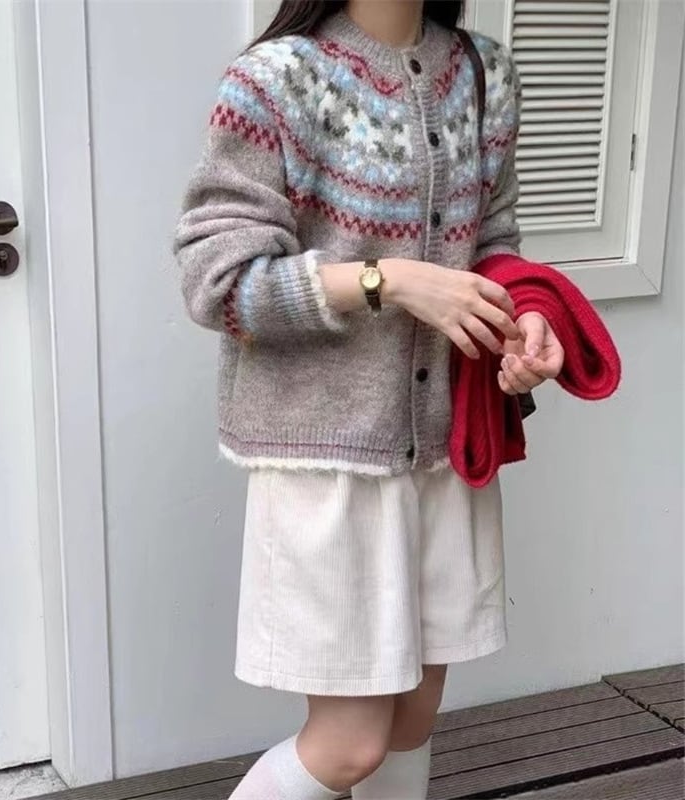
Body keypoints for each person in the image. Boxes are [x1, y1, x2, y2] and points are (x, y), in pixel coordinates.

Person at [173, 1, 564, 798]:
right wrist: (390, 281)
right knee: (349, 746)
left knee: (412, 722)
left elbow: (495, 244)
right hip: (327, 465)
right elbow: (219, 285)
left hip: (443, 453)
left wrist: (525, 318)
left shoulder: (486, 76)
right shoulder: (275, 82)